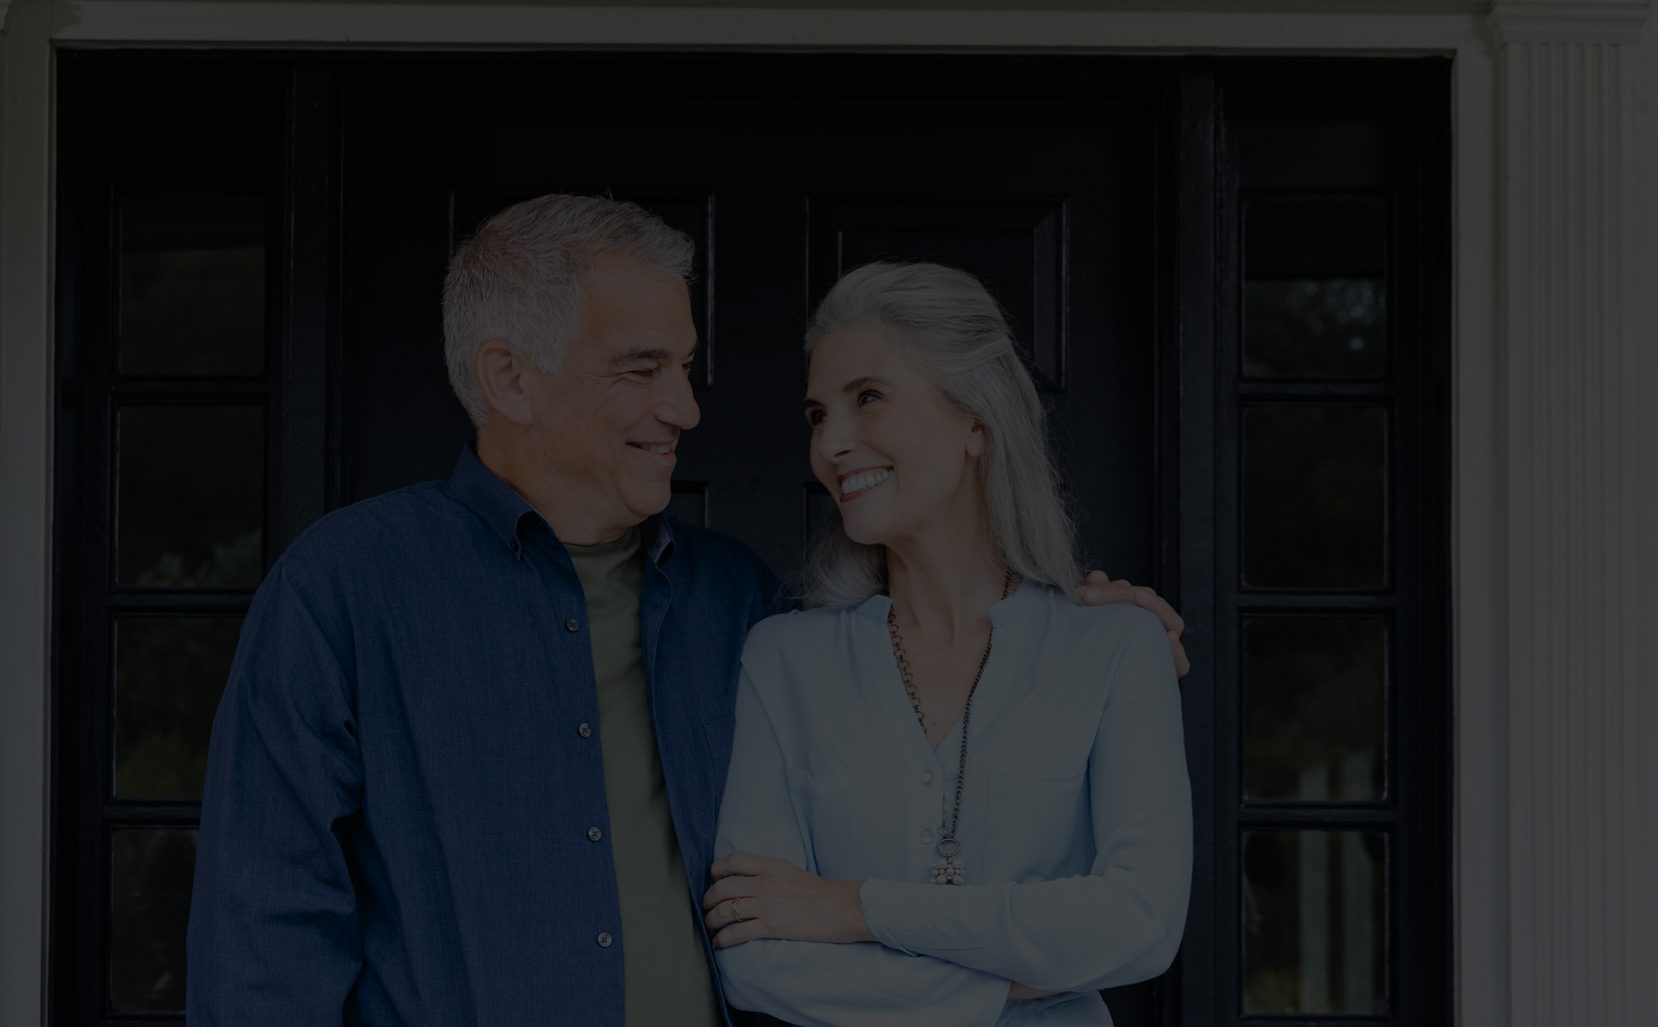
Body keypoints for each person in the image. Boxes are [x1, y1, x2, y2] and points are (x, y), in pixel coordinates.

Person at [185, 196, 1185, 1025]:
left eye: (683, 366)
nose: (687, 408)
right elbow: (267, 931)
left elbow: (922, 653)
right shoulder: (348, 590)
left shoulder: (735, 602)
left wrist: (1102, 628)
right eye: (642, 369)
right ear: (508, 380)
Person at [704, 262, 1193, 1026]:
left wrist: (854, 909)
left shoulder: (1117, 645)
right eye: (816, 414)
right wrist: (1009, 984)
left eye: (867, 397)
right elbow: (752, 957)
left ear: (976, 418)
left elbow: (1142, 922)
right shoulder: (782, 659)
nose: (832, 441)